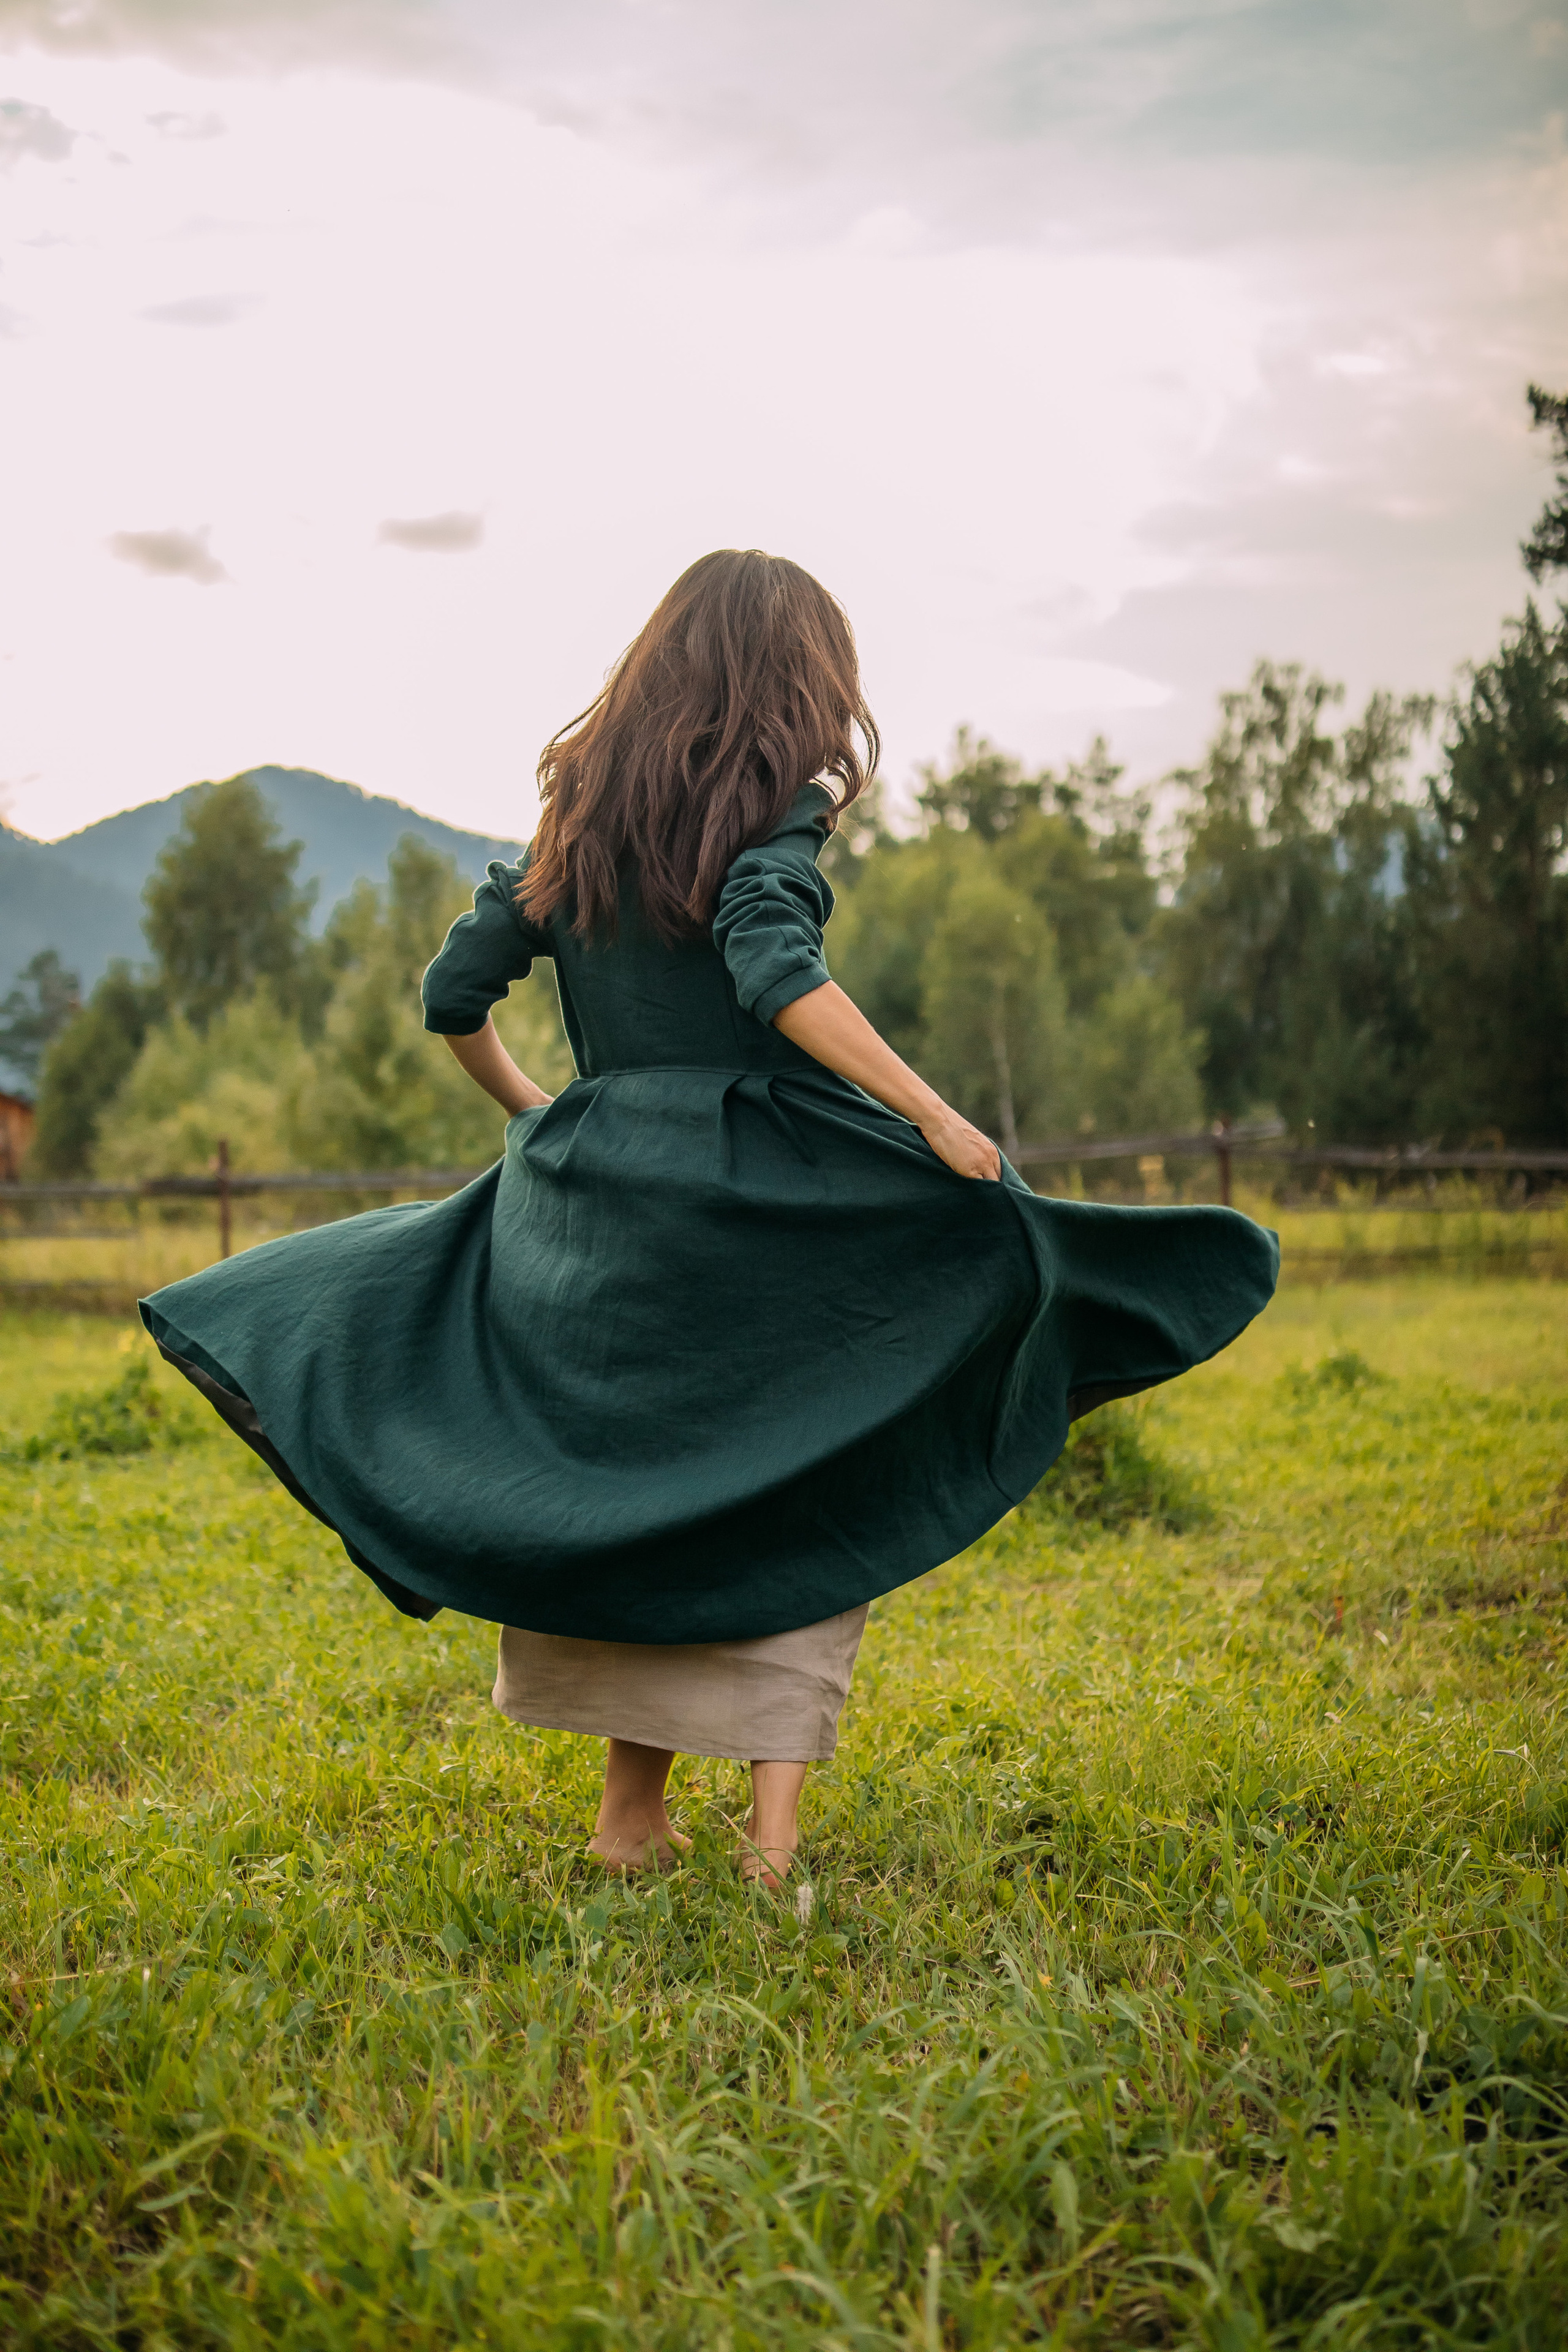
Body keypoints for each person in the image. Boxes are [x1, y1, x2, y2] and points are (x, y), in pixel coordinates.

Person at [140, 549, 1278, 1890]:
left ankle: (630, 1822)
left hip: (606, 1212)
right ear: (799, 679)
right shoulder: (782, 808)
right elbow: (774, 968)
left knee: (649, 1498)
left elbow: (454, 995)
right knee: (811, 1469)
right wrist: (935, 1118)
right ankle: (770, 1848)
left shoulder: (580, 815)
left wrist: (539, 1111)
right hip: (766, 1202)